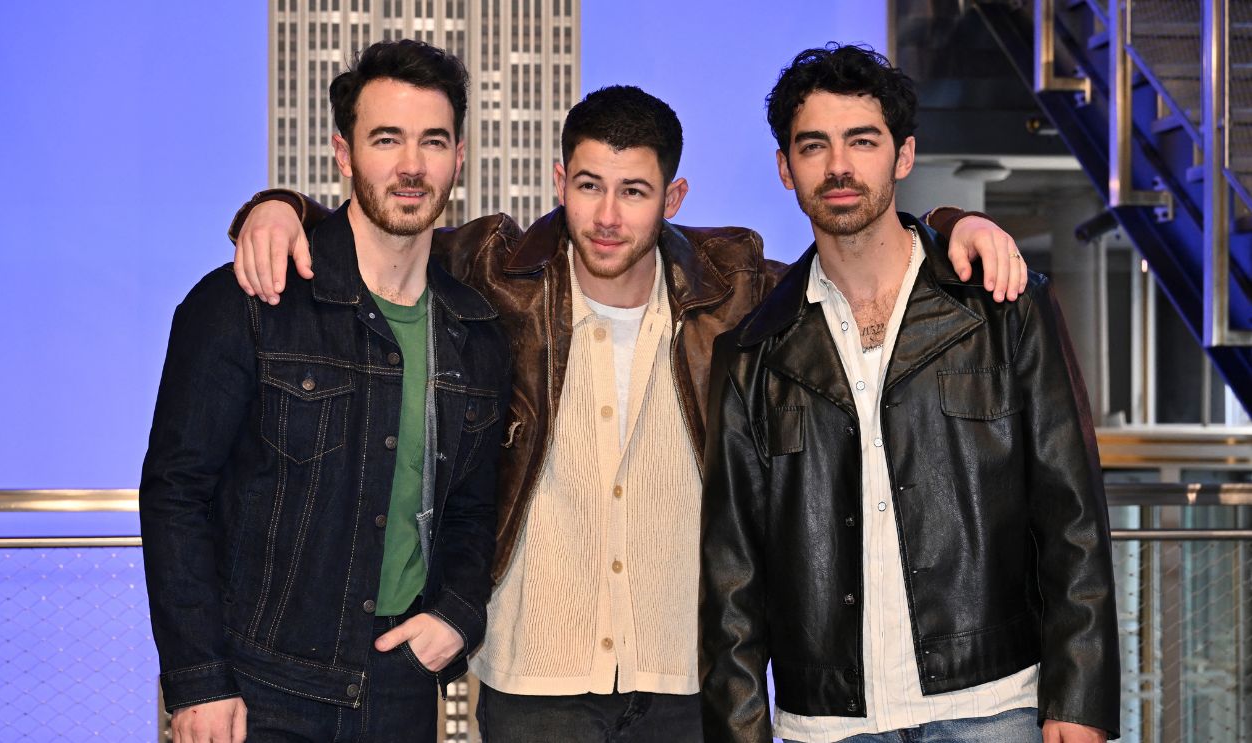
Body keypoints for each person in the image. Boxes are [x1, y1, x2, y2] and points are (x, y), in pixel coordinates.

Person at [227, 82, 1026, 742]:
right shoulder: (495, 270)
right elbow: (383, 227)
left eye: (635, 191)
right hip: (532, 670)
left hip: (686, 673)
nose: (608, 215)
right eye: (588, 185)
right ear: (557, 180)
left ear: (672, 196)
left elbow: (854, 256)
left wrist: (956, 222)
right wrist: (280, 205)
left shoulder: (733, 282)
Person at [699, 44, 1119, 743]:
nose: (838, 166)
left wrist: (1078, 694)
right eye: (813, 146)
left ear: (901, 155)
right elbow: (730, 580)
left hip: (992, 705)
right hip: (827, 723)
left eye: (861, 141)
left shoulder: (1000, 308)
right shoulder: (751, 355)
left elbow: (1070, 512)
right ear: (785, 168)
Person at [140, 40, 511, 743]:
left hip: (398, 687)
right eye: (386, 139)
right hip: (258, 689)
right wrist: (198, 678)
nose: (410, 165)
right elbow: (176, 493)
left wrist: (457, 612)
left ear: (459, 157)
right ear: (343, 154)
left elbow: (471, 509)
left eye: (432, 141)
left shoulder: (476, 331)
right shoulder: (248, 301)